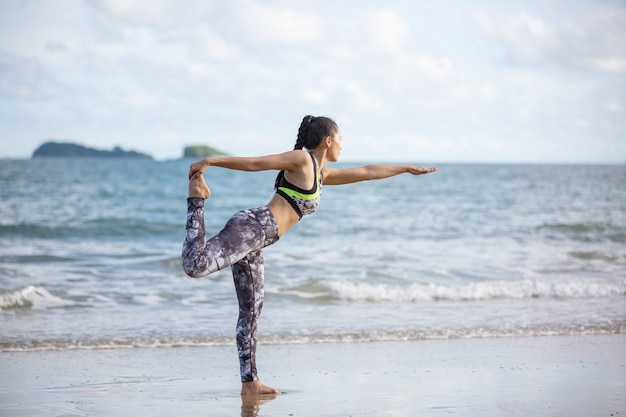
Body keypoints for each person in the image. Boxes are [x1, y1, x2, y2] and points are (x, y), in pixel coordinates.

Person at [182, 115, 437, 395]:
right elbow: (256, 163)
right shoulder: (302, 160)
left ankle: (250, 383)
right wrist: (210, 161)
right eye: (340, 139)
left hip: (258, 241)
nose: (343, 145)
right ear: (328, 141)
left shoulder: (320, 173)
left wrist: (405, 169)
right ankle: (197, 197)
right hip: (252, 228)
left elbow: (367, 172)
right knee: (195, 265)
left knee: (251, 311)